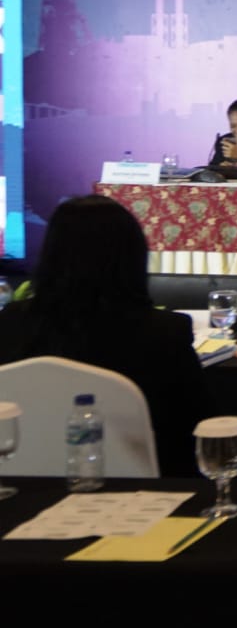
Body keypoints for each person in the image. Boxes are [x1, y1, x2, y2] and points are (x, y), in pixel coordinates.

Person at [0, 195, 215, 477]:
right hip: (145, 490)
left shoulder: (10, 322)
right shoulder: (165, 332)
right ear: (133, 257)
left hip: (26, 486)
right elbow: (199, 428)